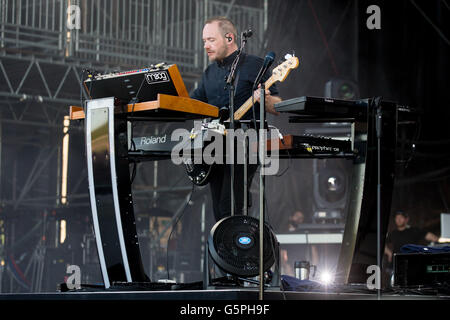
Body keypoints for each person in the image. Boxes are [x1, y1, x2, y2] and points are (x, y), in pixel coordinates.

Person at [191, 16, 282, 222]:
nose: (206, 46)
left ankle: (238, 249)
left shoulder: (256, 65)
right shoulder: (209, 73)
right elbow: (193, 104)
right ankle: (226, 250)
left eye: (211, 40)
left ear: (230, 38)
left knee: (230, 207)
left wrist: (264, 99)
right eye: (204, 41)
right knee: (218, 212)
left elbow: (276, 106)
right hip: (214, 146)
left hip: (245, 144)